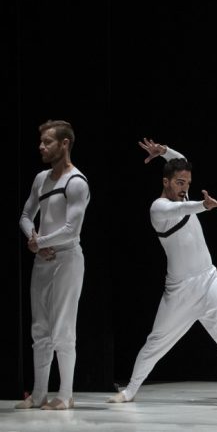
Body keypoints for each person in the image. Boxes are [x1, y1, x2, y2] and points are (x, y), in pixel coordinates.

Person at [107, 138, 217, 407]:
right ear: (165, 182)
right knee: (156, 341)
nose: (185, 188)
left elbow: (180, 160)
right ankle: (130, 390)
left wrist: (164, 152)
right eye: (180, 183)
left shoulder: (183, 195)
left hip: (209, 280)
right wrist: (204, 206)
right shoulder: (158, 208)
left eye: (188, 184)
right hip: (180, 290)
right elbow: (182, 208)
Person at [17, 120, 90, 410]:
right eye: (41, 141)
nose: (41, 147)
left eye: (47, 142)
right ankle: (38, 394)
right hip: (43, 259)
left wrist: (41, 240)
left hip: (67, 260)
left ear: (64, 144)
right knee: (40, 329)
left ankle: (66, 394)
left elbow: (73, 228)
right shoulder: (41, 179)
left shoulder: (76, 182)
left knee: (62, 329)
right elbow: (25, 215)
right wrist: (34, 238)